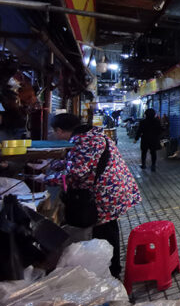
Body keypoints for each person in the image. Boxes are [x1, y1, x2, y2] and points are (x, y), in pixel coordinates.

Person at [45, 113, 141, 277]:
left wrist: (47, 178)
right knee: (107, 229)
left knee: (105, 233)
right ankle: (108, 268)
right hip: (111, 191)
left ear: (60, 131)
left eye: (54, 131)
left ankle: (111, 272)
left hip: (106, 194)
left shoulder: (86, 140)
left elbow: (76, 172)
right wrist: (52, 164)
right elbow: (76, 161)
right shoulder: (89, 137)